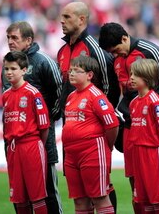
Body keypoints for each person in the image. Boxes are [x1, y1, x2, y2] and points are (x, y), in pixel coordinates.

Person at [58, 1, 120, 211]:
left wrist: (102, 122)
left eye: (67, 17)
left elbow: (110, 89)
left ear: (82, 19)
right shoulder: (62, 51)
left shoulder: (96, 50)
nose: (62, 21)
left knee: (101, 189)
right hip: (72, 133)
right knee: (80, 196)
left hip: (94, 136)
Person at [98, 22, 159, 213]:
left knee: (151, 178)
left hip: (150, 125)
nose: (115, 55)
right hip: (129, 123)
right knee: (133, 176)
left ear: (125, 38)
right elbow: (123, 93)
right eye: (112, 52)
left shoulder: (149, 50)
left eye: (117, 50)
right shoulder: (117, 61)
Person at [2, 21, 63, 214]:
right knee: (19, 194)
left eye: (15, 38)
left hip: (38, 137)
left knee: (47, 191)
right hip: (14, 141)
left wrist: (45, 121)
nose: (10, 42)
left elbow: (59, 93)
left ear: (28, 40)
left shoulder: (43, 61)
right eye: (8, 38)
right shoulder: (7, 65)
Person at [61, 55, 119, 214]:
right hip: (72, 155)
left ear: (89, 75)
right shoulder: (71, 96)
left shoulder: (96, 95)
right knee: (80, 201)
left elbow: (112, 124)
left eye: (76, 71)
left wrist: (107, 145)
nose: (71, 74)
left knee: (99, 197)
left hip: (92, 151)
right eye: (70, 70)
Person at [2, 51, 50, 214]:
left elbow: (44, 126)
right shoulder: (6, 95)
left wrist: (36, 146)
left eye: (13, 68)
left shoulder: (33, 93)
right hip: (14, 149)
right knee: (19, 198)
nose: (9, 72)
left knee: (37, 197)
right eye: (6, 68)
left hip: (31, 146)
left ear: (24, 70)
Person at [129, 58, 159, 213]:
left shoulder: (155, 102)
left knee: (157, 199)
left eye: (136, 75)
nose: (131, 77)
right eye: (131, 73)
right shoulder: (134, 102)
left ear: (147, 78)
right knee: (145, 199)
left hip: (154, 152)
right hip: (138, 153)